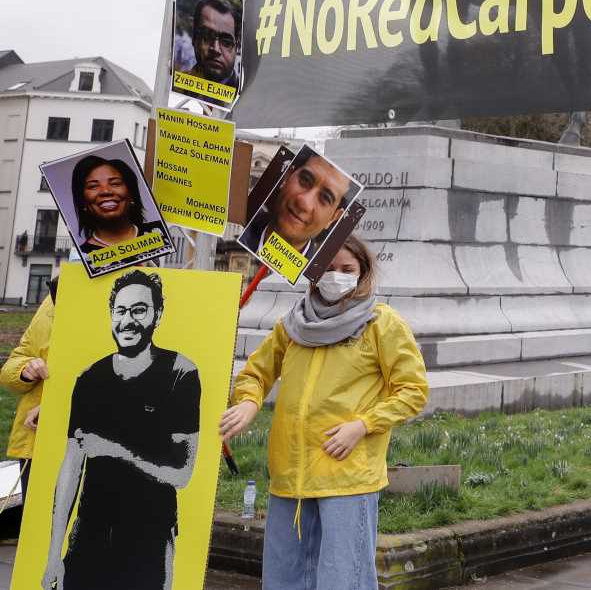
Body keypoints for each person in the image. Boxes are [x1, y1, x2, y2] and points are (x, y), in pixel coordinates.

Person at [220, 235, 429, 590]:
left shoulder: (382, 323)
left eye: (347, 269)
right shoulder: (293, 324)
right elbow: (257, 372)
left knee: (342, 579)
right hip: (291, 472)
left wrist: (363, 425)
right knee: (284, 577)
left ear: (363, 271)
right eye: (329, 268)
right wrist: (249, 401)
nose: (337, 276)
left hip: (346, 474)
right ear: (314, 272)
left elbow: (413, 389)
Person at [41, 270, 200, 590]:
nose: (128, 320)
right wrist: (53, 554)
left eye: (139, 310)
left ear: (158, 314)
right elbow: (71, 468)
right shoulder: (89, 380)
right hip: (89, 536)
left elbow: (182, 474)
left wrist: (118, 451)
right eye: (121, 311)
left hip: (149, 540)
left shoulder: (180, 373)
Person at [0, 279, 55, 537]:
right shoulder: (54, 297)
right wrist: (25, 369)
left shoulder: (137, 298)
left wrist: (58, 405)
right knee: (38, 538)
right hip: (37, 443)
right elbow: (16, 359)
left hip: (96, 448)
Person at [241, 151, 355, 259]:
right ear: (287, 176)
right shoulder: (239, 224)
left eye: (325, 198)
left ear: (333, 218)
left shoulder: (321, 273)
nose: (304, 203)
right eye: (305, 180)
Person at [69, 154, 166, 255]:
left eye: (115, 183)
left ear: (131, 194)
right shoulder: (82, 258)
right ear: (83, 201)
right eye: (93, 186)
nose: (105, 191)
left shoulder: (160, 234)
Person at [179, 0, 241, 90]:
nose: (215, 49)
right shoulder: (178, 86)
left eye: (226, 42)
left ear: (238, 47)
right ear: (194, 38)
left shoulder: (244, 97)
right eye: (207, 37)